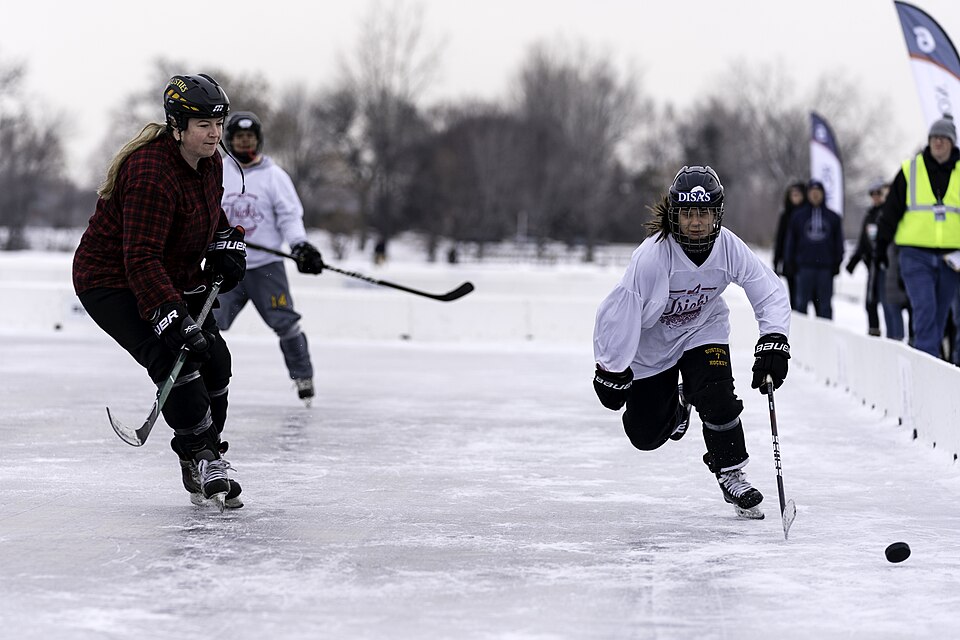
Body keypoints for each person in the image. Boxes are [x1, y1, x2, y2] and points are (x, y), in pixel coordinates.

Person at [72, 74, 246, 509]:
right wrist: (170, 316)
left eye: (219, 123)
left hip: (172, 273)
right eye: (204, 124)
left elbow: (207, 214)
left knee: (216, 360)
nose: (215, 134)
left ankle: (204, 453)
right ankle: (203, 457)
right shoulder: (150, 173)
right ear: (178, 126)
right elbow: (141, 259)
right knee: (175, 359)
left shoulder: (212, 161)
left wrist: (225, 242)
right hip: (110, 280)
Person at [592, 166, 791, 520]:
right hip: (653, 346)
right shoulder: (652, 257)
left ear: (717, 215)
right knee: (645, 435)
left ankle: (731, 473)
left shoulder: (729, 247)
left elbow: (768, 291)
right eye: (687, 214)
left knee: (717, 395)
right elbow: (621, 309)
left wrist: (774, 338)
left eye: (704, 213)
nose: (696, 222)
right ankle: (680, 401)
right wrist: (611, 368)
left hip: (703, 329)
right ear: (674, 215)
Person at [214, 111, 324, 405]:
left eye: (250, 138)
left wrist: (300, 245)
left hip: (266, 268)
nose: (244, 143)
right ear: (230, 141)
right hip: (227, 266)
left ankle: (303, 375)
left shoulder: (275, 177)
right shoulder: (217, 170)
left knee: (286, 324)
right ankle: (196, 379)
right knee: (207, 324)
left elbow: (289, 216)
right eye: (239, 138)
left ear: (258, 141)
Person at [875, 114, 960, 359]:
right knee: (925, 310)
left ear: (952, 142)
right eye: (934, 138)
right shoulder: (910, 170)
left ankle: (927, 360)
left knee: (940, 316)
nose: (938, 143)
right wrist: (881, 247)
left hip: (951, 258)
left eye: (943, 138)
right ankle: (928, 368)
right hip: (915, 255)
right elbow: (890, 212)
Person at [783, 179, 845, 319]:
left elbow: (839, 243)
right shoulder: (798, 216)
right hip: (804, 267)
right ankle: (799, 336)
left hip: (825, 269)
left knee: (824, 306)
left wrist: (837, 262)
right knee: (800, 305)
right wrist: (789, 262)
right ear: (808, 194)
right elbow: (791, 242)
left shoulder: (833, 217)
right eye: (812, 192)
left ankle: (826, 336)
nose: (815, 195)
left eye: (818, 192)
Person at [845, 180, 888, 336]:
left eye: (879, 194)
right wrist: (853, 262)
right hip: (872, 266)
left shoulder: (888, 213)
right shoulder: (870, 215)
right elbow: (863, 242)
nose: (876, 197)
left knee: (888, 304)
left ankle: (895, 337)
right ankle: (873, 331)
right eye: (873, 194)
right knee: (870, 302)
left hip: (887, 266)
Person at [773, 181, 807, 311]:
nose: (795, 197)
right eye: (793, 195)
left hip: (804, 262)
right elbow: (780, 240)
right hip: (790, 261)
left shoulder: (806, 214)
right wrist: (777, 261)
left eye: (798, 194)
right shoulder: (785, 215)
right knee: (794, 299)